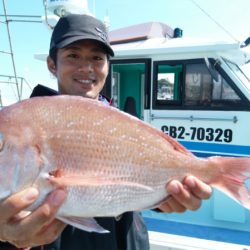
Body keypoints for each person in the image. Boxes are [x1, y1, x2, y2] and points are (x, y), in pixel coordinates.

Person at [0, 14, 212, 250]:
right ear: (52, 64)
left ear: (107, 66)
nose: (86, 67)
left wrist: (163, 199)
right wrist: (5, 238)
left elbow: (128, 182)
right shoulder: (23, 124)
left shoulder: (122, 126)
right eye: (73, 55)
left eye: (97, 58)